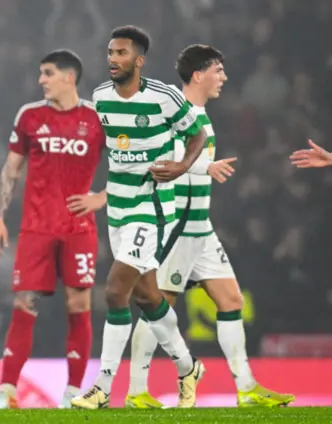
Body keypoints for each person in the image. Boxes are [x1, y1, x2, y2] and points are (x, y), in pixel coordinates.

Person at [125, 44, 295, 409]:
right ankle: (137, 390)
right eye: (218, 70)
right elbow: (161, 163)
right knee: (161, 305)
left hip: (201, 228)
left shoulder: (201, 115)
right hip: (177, 228)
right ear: (198, 74)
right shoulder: (175, 113)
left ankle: (247, 388)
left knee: (231, 300)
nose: (224, 77)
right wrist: (204, 167)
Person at [71, 26, 207, 410]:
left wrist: (181, 166)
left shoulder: (163, 97)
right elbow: (104, 147)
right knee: (148, 296)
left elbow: (196, 135)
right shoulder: (100, 97)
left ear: (139, 60)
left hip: (154, 206)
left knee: (115, 291)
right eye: (110, 52)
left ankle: (102, 387)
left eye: (121, 53)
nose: (113, 59)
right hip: (119, 206)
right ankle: (188, 367)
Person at [0, 49, 107, 409]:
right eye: (41, 73)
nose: (41, 80)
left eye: (48, 73)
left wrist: (102, 197)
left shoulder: (97, 118)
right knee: (25, 303)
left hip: (79, 227)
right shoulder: (30, 116)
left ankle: (72, 391)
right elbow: (11, 169)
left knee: (78, 303)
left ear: (69, 77)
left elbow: (131, 163)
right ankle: (7, 390)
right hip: (36, 228)